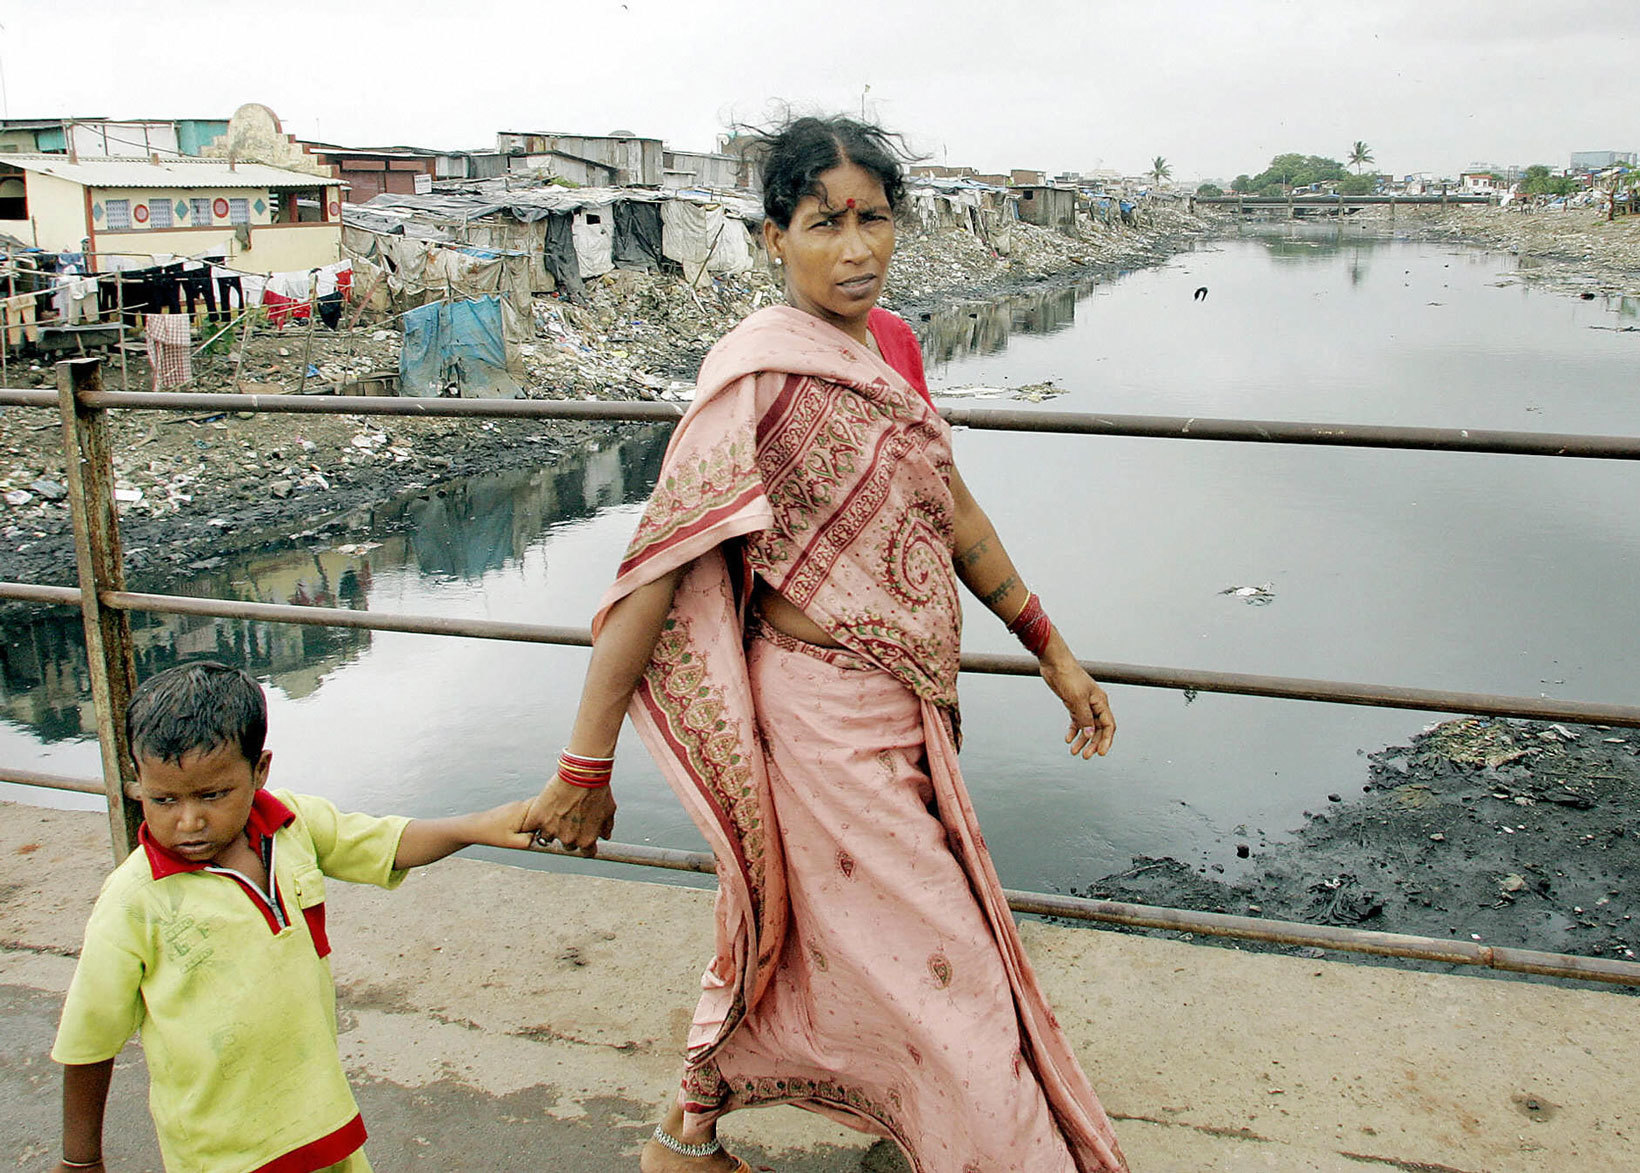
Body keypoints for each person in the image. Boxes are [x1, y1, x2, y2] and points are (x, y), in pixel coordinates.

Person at [520, 114, 1129, 1173]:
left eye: (874, 219)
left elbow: (953, 514)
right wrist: (584, 763)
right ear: (772, 238)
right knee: (956, 973)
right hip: (815, 726)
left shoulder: (888, 347)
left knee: (801, 933)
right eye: (822, 224)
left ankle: (690, 1136)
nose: (855, 250)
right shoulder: (754, 371)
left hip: (906, 712)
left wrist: (1050, 649)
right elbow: (656, 572)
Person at [50, 661, 533, 1173]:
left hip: (323, 1123)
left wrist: (478, 827)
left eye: (213, 795)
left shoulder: (292, 826)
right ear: (138, 784)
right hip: (222, 1151)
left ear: (260, 771)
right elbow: (89, 1037)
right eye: (163, 799)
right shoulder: (134, 899)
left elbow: (385, 843)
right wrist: (81, 1161)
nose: (188, 821)